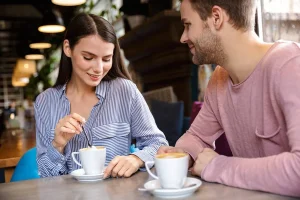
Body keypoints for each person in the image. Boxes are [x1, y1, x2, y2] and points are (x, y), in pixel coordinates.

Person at [158, 0, 300, 197]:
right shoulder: (219, 79)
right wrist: (180, 154)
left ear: (216, 18)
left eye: (187, 25)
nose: (183, 37)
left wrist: (218, 166)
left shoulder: (290, 65)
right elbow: (197, 136)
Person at [35, 13, 168, 178]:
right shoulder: (45, 102)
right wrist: (58, 145)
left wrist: (136, 159)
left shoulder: (125, 91)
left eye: (106, 59)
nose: (98, 68)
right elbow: (45, 176)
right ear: (68, 48)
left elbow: (158, 144)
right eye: (88, 57)